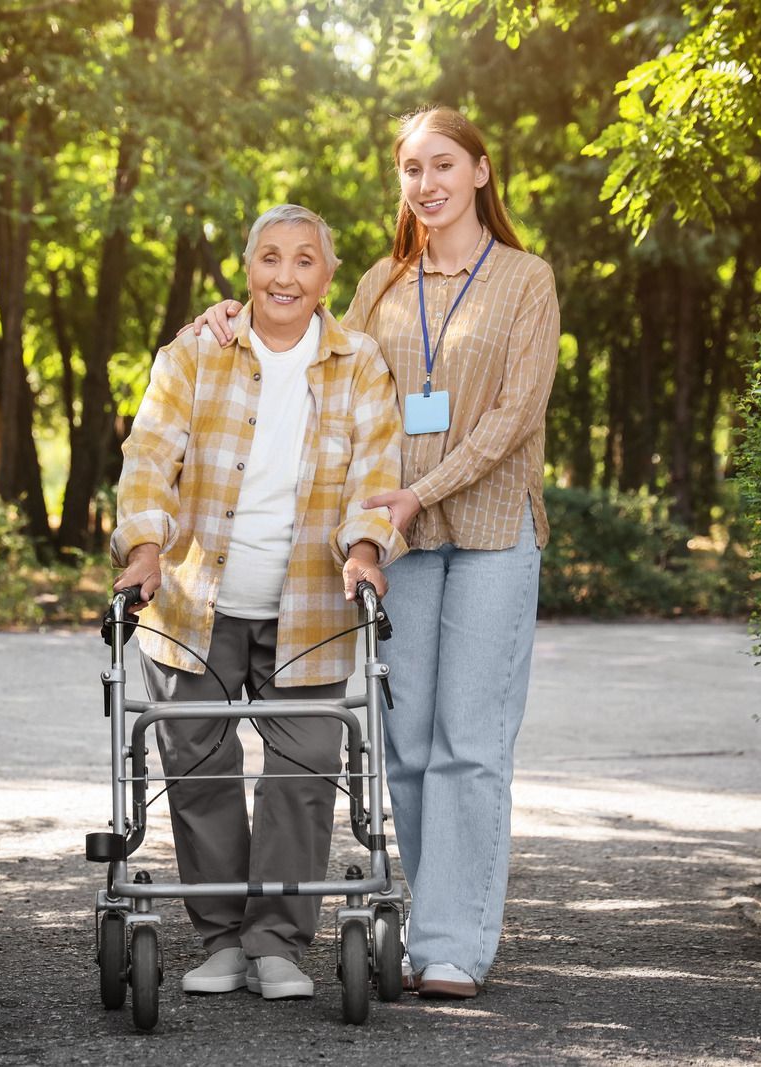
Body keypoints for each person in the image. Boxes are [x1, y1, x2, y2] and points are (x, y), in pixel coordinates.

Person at [188, 108, 560, 1000]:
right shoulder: (383, 284)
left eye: (441, 165)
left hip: (490, 531)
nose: (425, 184)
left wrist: (419, 492)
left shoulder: (525, 279)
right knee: (405, 746)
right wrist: (232, 318)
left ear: (480, 170)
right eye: (409, 169)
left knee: (469, 742)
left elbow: (516, 417)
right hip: (396, 545)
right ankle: (425, 916)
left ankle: (452, 944)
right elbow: (320, 352)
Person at [110, 204, 407, 1001]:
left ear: (327, 277)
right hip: (194, 602)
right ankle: (221, 940)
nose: (285, 275)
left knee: (304, 768)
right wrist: (143, 547)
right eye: (269, 258)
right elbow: (148, 455)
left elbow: (375, 477)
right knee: (197, 762)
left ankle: (277, 942)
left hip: (310, 603)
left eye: (304, 260)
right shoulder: (196, 351)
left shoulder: (361, 364)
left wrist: (367, 548)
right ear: (247, 269)